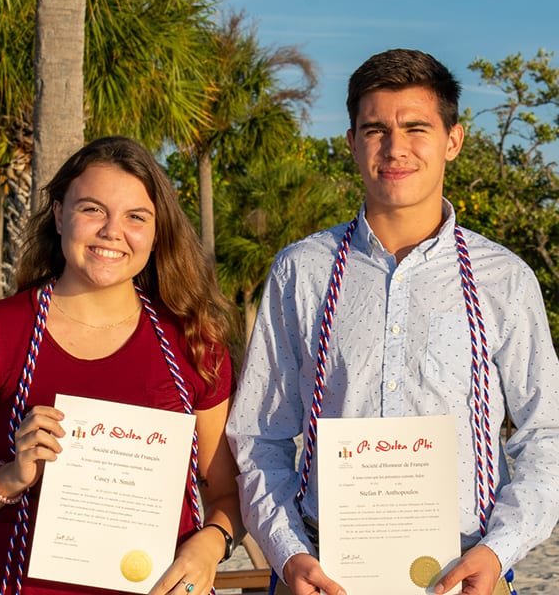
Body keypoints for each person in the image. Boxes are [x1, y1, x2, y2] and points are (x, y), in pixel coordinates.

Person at [226, 49, 559, 595]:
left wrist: (500, 549)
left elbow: (547, 430)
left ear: (453, 139)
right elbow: (261, 435)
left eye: (415, 127)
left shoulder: (505, 278)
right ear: (353, 141)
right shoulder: (302, 270)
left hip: (465, 570)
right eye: (375, 129)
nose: (395, 148)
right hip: (322, 570)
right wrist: (288, 554)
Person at [0, 135, 244, 595]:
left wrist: (209, 547)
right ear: (58, 214)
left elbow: (227, 496)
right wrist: (10, 476)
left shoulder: (194, 342)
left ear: (156, 232)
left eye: (136, 217)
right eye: (92, 209)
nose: (113, 231)